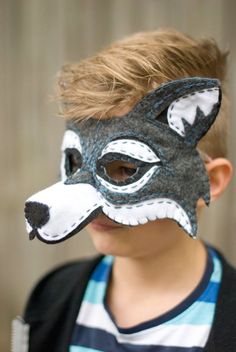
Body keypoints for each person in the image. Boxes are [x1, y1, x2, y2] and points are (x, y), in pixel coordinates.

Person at [13, 30, 235, 352]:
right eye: (74, 163)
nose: (87, 197)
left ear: (210, 182)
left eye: (125, 169)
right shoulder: (51, 298)